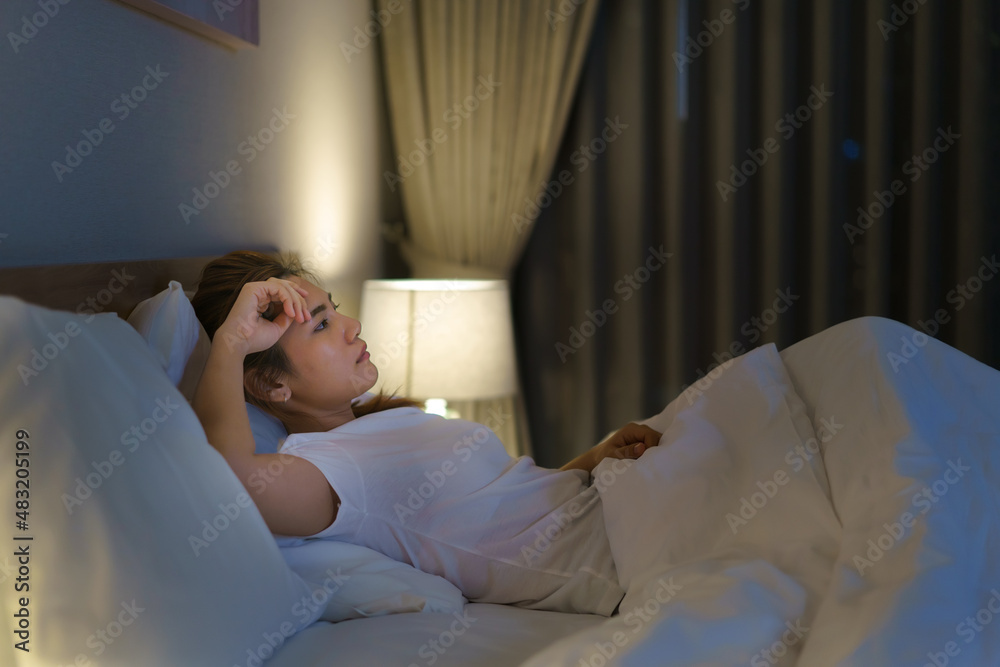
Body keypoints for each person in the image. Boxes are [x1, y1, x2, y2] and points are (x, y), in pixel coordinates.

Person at [191, 251, 662, 615]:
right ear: (273, 383)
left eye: (334, 310)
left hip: (613, 504)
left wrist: (591, 461)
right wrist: (231, 346)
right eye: (322, 325)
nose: (353, 326)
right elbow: (232, 484)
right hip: (624, 553)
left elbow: (503, 512)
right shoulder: (331, 465)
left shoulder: (377, 425)